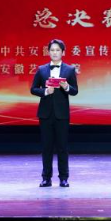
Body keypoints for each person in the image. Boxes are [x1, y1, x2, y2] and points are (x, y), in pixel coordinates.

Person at [29, 38, 78, 187]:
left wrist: (66, 86)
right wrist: (45, 91)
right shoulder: (42, 69)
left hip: (62, 114)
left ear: (63, 52)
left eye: (57, 50)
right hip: (45, 114)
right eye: (52, 50)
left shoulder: (69, 70)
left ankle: (64, 178)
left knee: (62, 147)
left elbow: (75, 91)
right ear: (48, 52)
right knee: (47, 147)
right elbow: (33, 89)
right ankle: (46, 178)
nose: (55, 53)